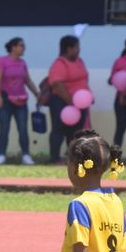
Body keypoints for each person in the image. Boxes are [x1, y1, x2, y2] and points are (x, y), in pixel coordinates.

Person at [0, 37, 39, 165]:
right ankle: (1, 155)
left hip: (21, 101)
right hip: (5, 100)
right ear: (13, 47)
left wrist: (37, 93)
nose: (23, 48)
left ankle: (26, 155)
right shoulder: (2, 61)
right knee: (4, 128)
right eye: (21, 45)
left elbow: (27, 80)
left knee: (23, 128)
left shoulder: (22, 63)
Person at [47, 35, 90, 163]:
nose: (79, 50)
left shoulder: (80, 61)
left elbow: (83, 80)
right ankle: (54, 158)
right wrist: (69, 101)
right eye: (77, 47)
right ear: (68, 49)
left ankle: (73, 158)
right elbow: (57, 83)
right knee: (59, 130)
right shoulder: (60, 63)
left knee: (75, 133)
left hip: (80, 104)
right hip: (62, 101)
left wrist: (88, 96)